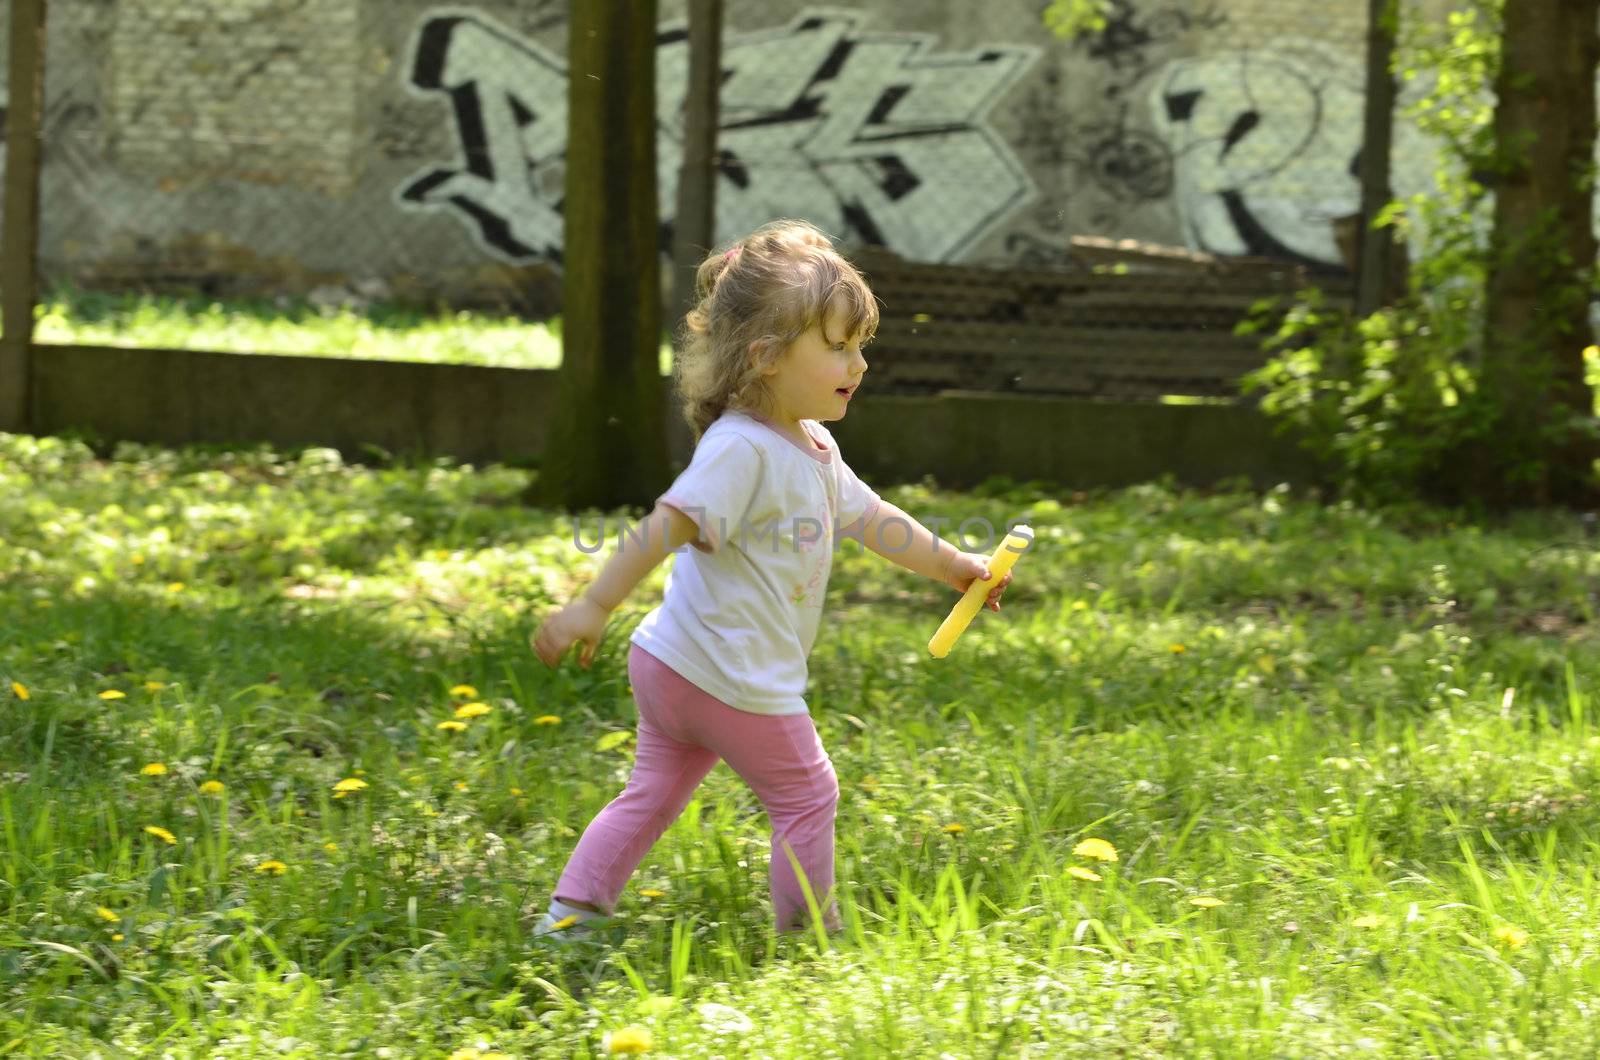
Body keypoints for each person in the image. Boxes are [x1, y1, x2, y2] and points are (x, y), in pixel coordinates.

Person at [529, 219, 1013, 940]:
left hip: (674, 663)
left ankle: (572, 915)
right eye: (840, 345)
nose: (860, 362)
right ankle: (809, 937)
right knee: (808, 796)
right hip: (733, 675)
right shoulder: (742, 449)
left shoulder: (813, 444)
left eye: (860, 345)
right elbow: (668, 523)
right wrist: (592, 605)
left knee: (653, 794)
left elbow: (873, 517)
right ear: (765, 359)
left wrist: (952, 566)